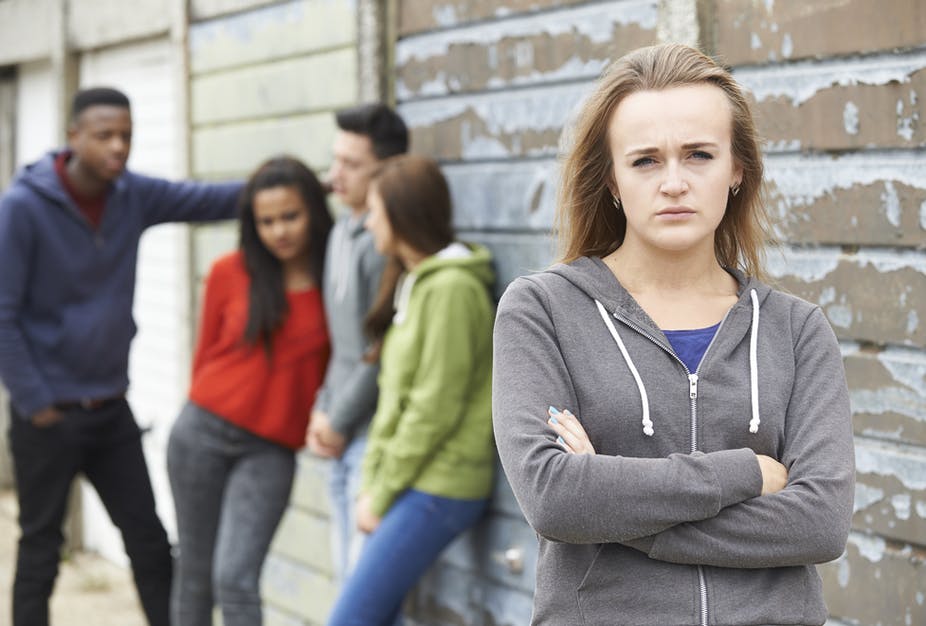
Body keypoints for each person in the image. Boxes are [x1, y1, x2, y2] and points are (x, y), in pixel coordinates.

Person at [492, 43, 855, 626]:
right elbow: (555, 497)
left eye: (698, 155)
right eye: (645, 161)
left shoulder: (795, 329)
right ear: (611, 178)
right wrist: (745, 473)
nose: (675, 182)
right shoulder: (543, 311)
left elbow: (820, 523)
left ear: (737, 169)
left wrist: (617, 515)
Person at [0, 86, 243, 626]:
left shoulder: (131, 195)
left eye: (126, 136)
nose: (118, 147)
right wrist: (37, 402)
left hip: (110, 409)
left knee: (151, 544)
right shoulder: (22, 207)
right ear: (74, 138)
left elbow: (207, 200)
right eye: (105, 135)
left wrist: (299, 187)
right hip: (48, 417)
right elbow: (2, 315)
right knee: (41, 551)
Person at [325, 155, 496, 625]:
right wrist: (375, 483)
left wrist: (379, 494)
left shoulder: (452, 290)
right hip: (412, 480)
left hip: (441, 484)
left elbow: (433, 406)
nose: (369, 221)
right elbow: (394, 399)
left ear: (401, 215)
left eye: (376, 210)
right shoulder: (417, 283)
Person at [166, 156, 333, 626]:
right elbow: (204, 358)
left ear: (313, 213)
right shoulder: (228, 272)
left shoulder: (333, 277)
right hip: (201, 433)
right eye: (266, 221)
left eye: (290, 217)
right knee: (195, 574)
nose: (279, 231)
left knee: (236, 576)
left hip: (271, 449)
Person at [305, 103, 408, 580]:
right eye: (334, 160)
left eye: (351, 164)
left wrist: (338, 419)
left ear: (384, 170)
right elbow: (341, 345)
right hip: (340, 430)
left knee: (362, 590)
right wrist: (323, 410)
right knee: (346, 579)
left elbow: (382, 350)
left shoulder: (386, 245)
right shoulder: (340, 233)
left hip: (372, 437)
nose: (334, 175)